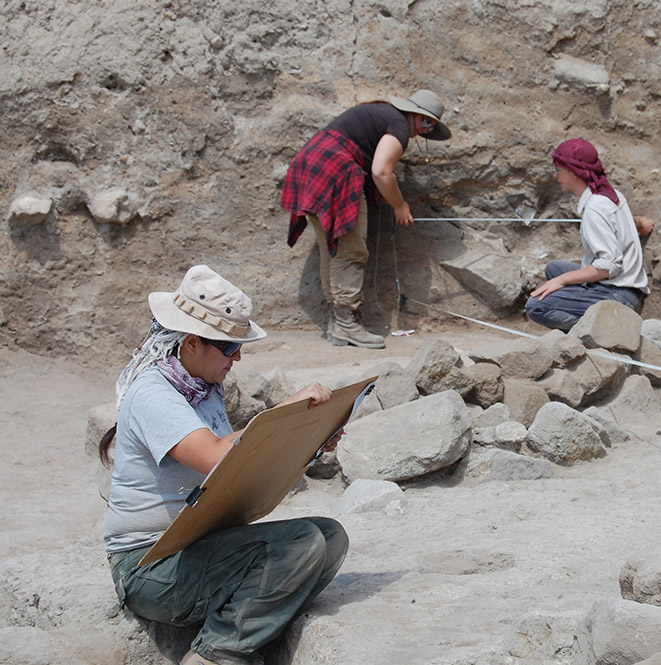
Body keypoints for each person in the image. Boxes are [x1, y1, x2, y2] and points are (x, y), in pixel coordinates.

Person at [101, 265, 349, 665]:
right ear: (193, 342)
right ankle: (217, 654)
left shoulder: (203, 388)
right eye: (229, 348)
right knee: (300, 544)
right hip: (149, 564)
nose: (237, 358)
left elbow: (244, 466)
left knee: (330, 536)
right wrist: (286, 410)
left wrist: (309, 441)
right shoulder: (153, 393)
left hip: (198, 543)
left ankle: (246, 633)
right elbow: (216, 456)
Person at [280, 89, 453, 349]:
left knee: (334, 249)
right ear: (415, 115)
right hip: (335, 170)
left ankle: (337, 324)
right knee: (351, 251)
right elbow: (381, 171)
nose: (424, 131)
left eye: (431, 127)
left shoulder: (382, 114)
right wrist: (399, 205)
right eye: (426, 122)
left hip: (311, 167)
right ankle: (347, 324)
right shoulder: (398, 124)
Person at [525, 138, 652, 332]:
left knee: (536, 306)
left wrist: (562, 281)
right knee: (554, 269)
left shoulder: (594, 209)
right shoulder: (610, 194)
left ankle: (601, 330)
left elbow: (608, 267)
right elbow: (620, 223)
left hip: (620, 294)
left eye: (559, 170)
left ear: (575, 172)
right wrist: (641, 224)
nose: (556, 175)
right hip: (628, 285)